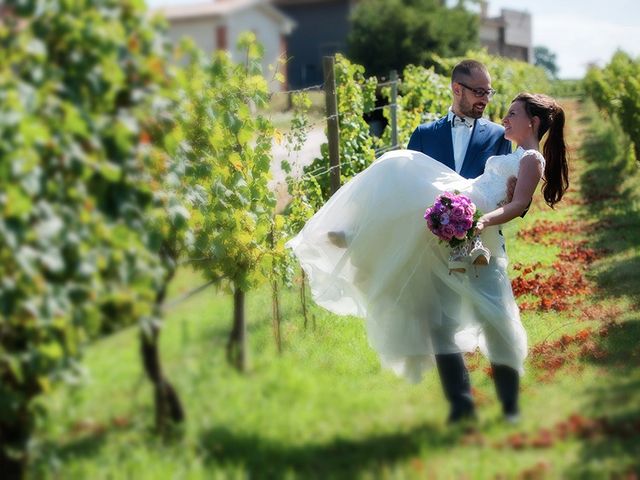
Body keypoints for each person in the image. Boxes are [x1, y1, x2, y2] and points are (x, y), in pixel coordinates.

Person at [287, 92, 568, 425]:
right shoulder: (518, 155)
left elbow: (519, 204)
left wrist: (482, 220)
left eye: (512, 114)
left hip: (480, 230)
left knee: (496, 318)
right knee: (399, 171)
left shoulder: (532, 159)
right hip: (468, 200)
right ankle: (357, 233)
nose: (505, 119)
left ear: (532, 122)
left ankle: (510, 408)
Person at [407, 60, 513, 424]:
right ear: (457, 89)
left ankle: (509, 406)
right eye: (479, 91)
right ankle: (461, 404)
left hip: (485, 244)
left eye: (489, 92)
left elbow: (509, 191)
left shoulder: (499, 135)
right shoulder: (422, 135)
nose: (486, 98)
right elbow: (406, 190)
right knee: (441, 324)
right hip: (435, 248)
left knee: (497, 321)